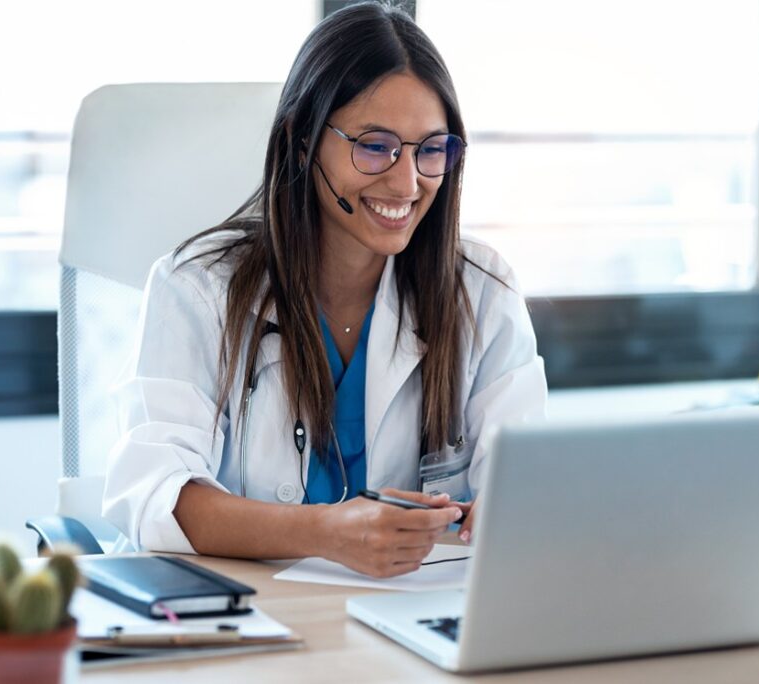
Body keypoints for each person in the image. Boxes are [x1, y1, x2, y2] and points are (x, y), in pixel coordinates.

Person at [103, 1, 547, 578]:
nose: (407, 181)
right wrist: (328, 533)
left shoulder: (481, 292)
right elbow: (155, 495)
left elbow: (528, 475)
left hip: (411, 628)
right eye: (374, 145)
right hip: (246, 622)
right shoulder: (198, 289)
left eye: (430, 150)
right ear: (302, 140)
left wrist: (512, 511)